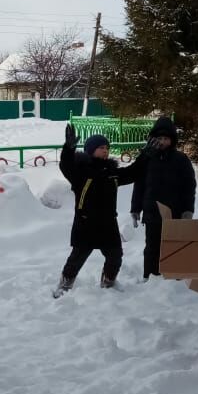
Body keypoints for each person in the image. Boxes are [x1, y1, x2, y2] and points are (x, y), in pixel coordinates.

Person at [53, 125, 150, 296]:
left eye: (107, 148)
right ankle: (64, 285)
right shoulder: (80, 172)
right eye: (101, 148)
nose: (105, 151)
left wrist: (146, 154)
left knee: (115, 256)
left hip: (108, 223)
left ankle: (108, 283)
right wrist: (68, 148)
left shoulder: (111, 173)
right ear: (91, 151)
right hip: (86, 223)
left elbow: (133, 172)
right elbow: (65, 165)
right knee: (77, 257)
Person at [130, 116, 196, 279]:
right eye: (159, 138)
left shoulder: (181, 159)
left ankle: (175, 275)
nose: (162, 142)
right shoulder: (147, 159)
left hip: (175, 212)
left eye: (166, 138)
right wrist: (135, 208)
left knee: (174, 245)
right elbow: (139, 185)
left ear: (172, 140)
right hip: (152, 212)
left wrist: (188, 210)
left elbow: (189, 187)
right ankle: (150, 276)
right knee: (152, 247)